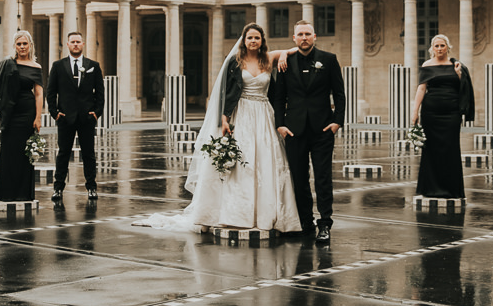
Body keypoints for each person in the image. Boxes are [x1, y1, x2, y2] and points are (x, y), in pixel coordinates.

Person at [136, 23, 301, 233]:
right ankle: (235, 213)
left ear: (262, 41)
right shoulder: (235, 61)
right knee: (242, 162)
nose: (253, 41)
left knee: (266, 159)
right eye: (250, 38)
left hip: (263, 114)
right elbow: (226, 91)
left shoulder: (268, 58)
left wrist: (284, 53)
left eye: (257, 38)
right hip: (241, 113)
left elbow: (296, 49)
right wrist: (224, 118)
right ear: (244, 40)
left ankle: (265, 214)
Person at [272, 20, 346, 244]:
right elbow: (279, 97)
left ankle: (325, 223)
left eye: (308, 34)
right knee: (299, 178)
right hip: (294, 130)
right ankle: (305, 221)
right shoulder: (285, 62)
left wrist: (337, 122)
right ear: (294, 38)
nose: (304, 38)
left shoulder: (329, 59)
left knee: (323, 177)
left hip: (322, 128)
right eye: (300, 34)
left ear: (315, 37)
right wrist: (280, 124)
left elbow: (339, 93)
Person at [409, 34, 475, 199]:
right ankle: (430, 189)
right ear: (432, 48)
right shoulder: (427, 65)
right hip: (430, 112)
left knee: (450, 148)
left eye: (442, 46)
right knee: (430, 150)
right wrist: (415, 111)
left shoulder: (456, 65)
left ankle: (452, 190)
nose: (439, 49)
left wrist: (459, 74)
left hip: (451, 113)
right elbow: (421, 89)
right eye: (436, 46)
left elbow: (463, 86)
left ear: (447, 47)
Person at [0, 31, 44, 202]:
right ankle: (6, 193)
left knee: (25, 152)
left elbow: (39, 94)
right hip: (10, 112)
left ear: (30, 45)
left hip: (27, 112)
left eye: (25, 44)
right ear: (15, 46)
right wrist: (1, 109)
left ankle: (24, 193)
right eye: (19, 44)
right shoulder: (8, 63)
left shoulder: (36, 67)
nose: (22, 47)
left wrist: (38, 117)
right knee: (8, 150)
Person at [45, 31, 104, 203]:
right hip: (65, 117)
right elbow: (51, 92)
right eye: (73, 42)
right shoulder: (58, 66)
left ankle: (91, 187)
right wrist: (55, 113)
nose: (76, 44)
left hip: (87, 118)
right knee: (63, 153)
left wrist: (96, 112)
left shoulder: (93, 65)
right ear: (67, 45)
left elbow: (100, 93)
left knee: (89, 154)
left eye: (78, 41)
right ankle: (58, 188)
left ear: (83, 44)